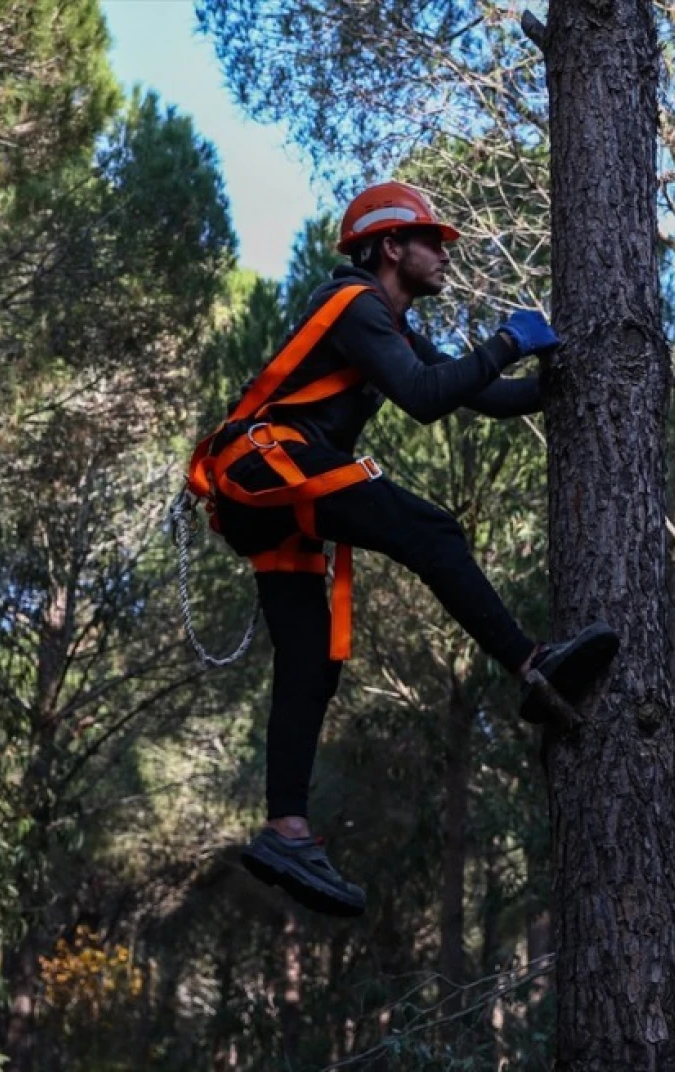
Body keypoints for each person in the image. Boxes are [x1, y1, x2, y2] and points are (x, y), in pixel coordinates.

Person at [188, 182, 618, 918]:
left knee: (310, 660)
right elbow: (424, 396)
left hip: (267, 489)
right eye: (432, 240)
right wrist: (509, 339)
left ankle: (286, 827)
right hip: (271, 460)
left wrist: (551, 380)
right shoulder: (354, 301)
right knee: (431, 532)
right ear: (391, 247)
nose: (443, 253)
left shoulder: (385, 320)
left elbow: (475, 393)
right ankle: (533, 663)